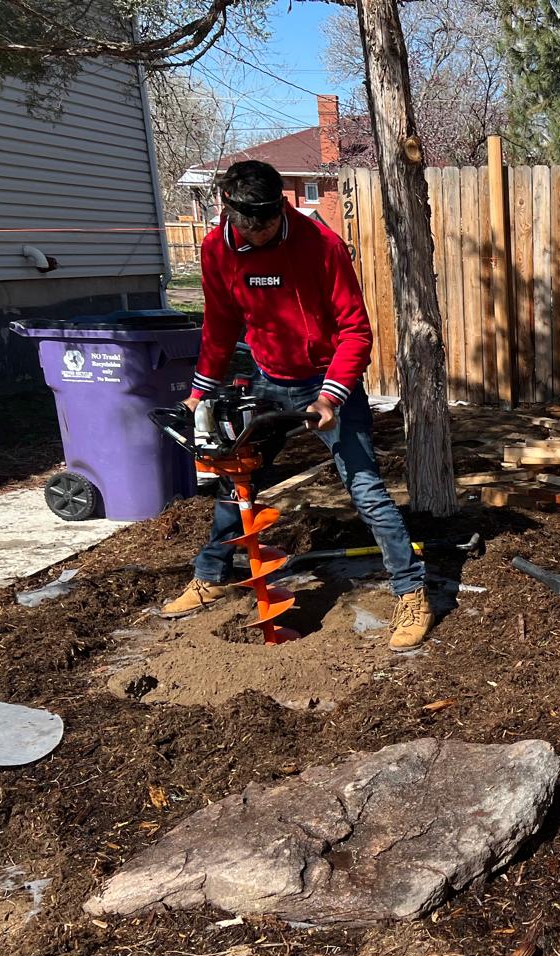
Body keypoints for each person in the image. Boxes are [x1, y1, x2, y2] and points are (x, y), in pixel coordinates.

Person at [160, 160, 433, 651]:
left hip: (326, 382)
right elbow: (220, 328)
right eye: (247, 226)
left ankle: (412, 591)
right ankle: (209, 576)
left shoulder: (320, 246)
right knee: (235, 481)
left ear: (279, 208)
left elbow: (356, 331)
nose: (257, 235)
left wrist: (332, 395)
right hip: (268, 381)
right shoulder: (216, 249)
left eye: (265, 225)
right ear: (229, 211)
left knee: (366, 488)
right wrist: (200, 391)